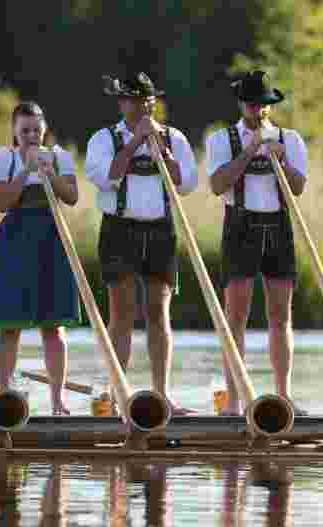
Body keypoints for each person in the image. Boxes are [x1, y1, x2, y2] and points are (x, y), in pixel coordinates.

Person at [84, 72, 199, 414]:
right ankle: (119, 393)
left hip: (161, 230)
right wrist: (135, 143)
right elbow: (107, 178)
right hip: (120, 229)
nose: (140, 106)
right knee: (121, 315)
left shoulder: (173, 137)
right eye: (132, 100)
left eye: (145, 101)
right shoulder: (105, 138)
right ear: (121, 103)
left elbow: (186, 183)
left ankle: (162, 395)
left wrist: (160, 148)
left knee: (158, 313)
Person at [206, 70, 309, 416]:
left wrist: (281, 159)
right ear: (241, 105)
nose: (258, 110)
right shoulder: (223, 139)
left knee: (281, 316)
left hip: (278, 223)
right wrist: (249, 152)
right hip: (241, 223)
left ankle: (284, 395)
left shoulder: (289, 138)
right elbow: (218, 185)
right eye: (252, 104)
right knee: (236, 317)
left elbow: (297, 188)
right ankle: (234, 401)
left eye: (263, 104)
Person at [0, 102, 80, 415]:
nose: (31, 135)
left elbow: (72, 197)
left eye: (36, 129)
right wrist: (26, 170)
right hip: (16, 239)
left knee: (54, 325)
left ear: (44, 129)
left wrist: (49, 173)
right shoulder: (5, 158)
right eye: (24, 130)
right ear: (15, 131)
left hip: (52, 237)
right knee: (10, 324)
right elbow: (1, 202)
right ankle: (4, 394)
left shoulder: (60, 156)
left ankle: (57, 400)